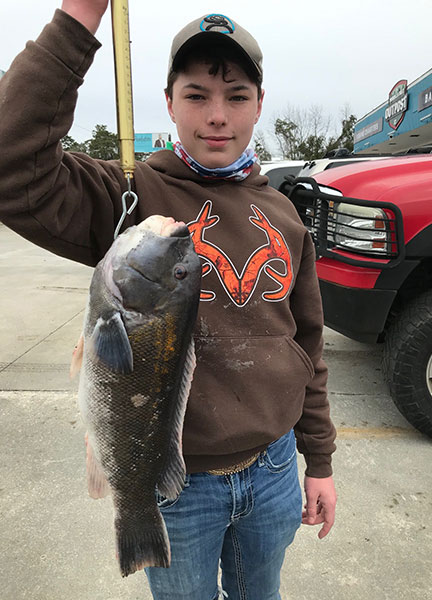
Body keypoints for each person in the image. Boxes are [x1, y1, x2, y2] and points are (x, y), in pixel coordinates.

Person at [0, 3, 337, 599]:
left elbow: (306, 346)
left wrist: (320, 460)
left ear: (260, 104)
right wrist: (80, 15)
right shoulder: (128, 195)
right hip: (175, 486)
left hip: (278, 467)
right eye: (196, 94)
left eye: (236, 96)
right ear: (168, 101)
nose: (216, 116)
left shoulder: (285, 215)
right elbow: (10, 165)